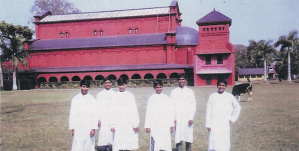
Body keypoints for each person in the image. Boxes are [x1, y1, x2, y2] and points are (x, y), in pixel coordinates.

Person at [205, 79, 241, 151]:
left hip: (225, 123)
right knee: (214, 141)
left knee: (224, 141)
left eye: (223, 85)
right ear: (217, 86)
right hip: (214, 123)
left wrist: (232, 119)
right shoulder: (212, 96)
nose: (221, 87)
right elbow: (208, 111)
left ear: (226, 86)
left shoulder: (229, 96)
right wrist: (208, 124)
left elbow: (238, 108)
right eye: (220, 85)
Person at [110, 77, 139, 151]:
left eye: (123, 85)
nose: (121, 87)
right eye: (120, 85)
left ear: (126, 85)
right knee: (118, 142)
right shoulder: (114, 95)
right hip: (118, 122)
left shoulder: (130, 95)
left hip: (128, 122)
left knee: (127, 142)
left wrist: (135, 124)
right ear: (117, 85)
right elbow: (112, 111)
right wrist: (112, 125)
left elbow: (134, 110)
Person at [144, 80, 174, 151]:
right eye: (157, 87)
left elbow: (170, 112)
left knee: (165, 142)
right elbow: (148, 112)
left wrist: (171, 124)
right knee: (155, 141)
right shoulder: (151, 98)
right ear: (154, 88)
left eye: (160, 87)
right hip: (154, 124)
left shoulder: (166, 98)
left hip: (164, 124)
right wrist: (147, 126)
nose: (159, 89)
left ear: (162, 87)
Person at [69, 79, 98, 151]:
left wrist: (93, 128)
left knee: (88, 144)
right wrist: (73, 128)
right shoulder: (75, 99)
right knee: (78, 144)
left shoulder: (92, 99)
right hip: (78, 126)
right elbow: (72, 114)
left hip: (88, 125)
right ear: (80, 87)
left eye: (87, 87)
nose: (85, 89)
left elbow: (95, 114)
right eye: (84, 86)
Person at [170, 73, 196, 151]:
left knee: (188, 136)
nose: (181, 81)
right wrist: (173, 118)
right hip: (178, 117)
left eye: (183, 79)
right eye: (180, 79)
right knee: (178, 136)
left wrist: (191, 118)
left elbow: (193, 105)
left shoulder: (190, 91)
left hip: (187, 117)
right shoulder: (174, 92)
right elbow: (171, 105)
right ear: (177, 81)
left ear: (185, 80)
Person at [96, 77, 116, 151]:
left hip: (112, 117)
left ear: (111, 83)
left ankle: (111, 148)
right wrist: (98, 119)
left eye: (109, 83)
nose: (107, 84)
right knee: (103, 134)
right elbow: (97, 107)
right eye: (106, 83)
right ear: (104, 84)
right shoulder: (100, 94)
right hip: (103, 117)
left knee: (112, 134)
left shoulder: (114, 94)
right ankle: (104, 148)